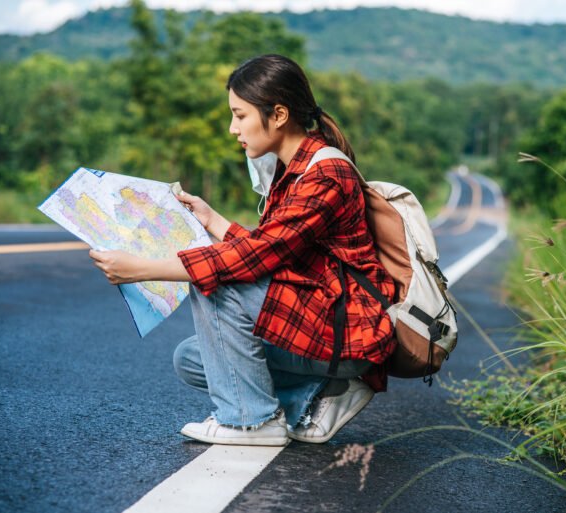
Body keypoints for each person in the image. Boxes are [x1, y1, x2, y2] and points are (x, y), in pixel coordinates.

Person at [89, 54, 396, 446]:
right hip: (322, 319)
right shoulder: (293, 170)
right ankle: (319, 394)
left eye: (240, 115)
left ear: (279, 114)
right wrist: (212, 219)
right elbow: (272, 249)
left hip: (350, 331)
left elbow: (254, 259)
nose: (233, 128)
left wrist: (142, 269)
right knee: (192, 358)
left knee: (217, 281)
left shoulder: (325, 175)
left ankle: (251, 422)